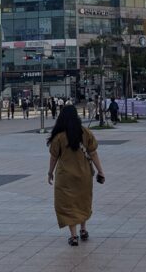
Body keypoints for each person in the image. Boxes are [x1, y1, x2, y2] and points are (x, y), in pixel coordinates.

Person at [48, 105, 104, 247]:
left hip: (65, 177)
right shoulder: (86, 133)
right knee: (82, 202)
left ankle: (73, 236)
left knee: (68, 205)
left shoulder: (59, 137)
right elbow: (93, 153)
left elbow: (54, 157)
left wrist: (50, 172)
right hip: (84, 176)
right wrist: (100, 171)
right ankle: (83, 230)